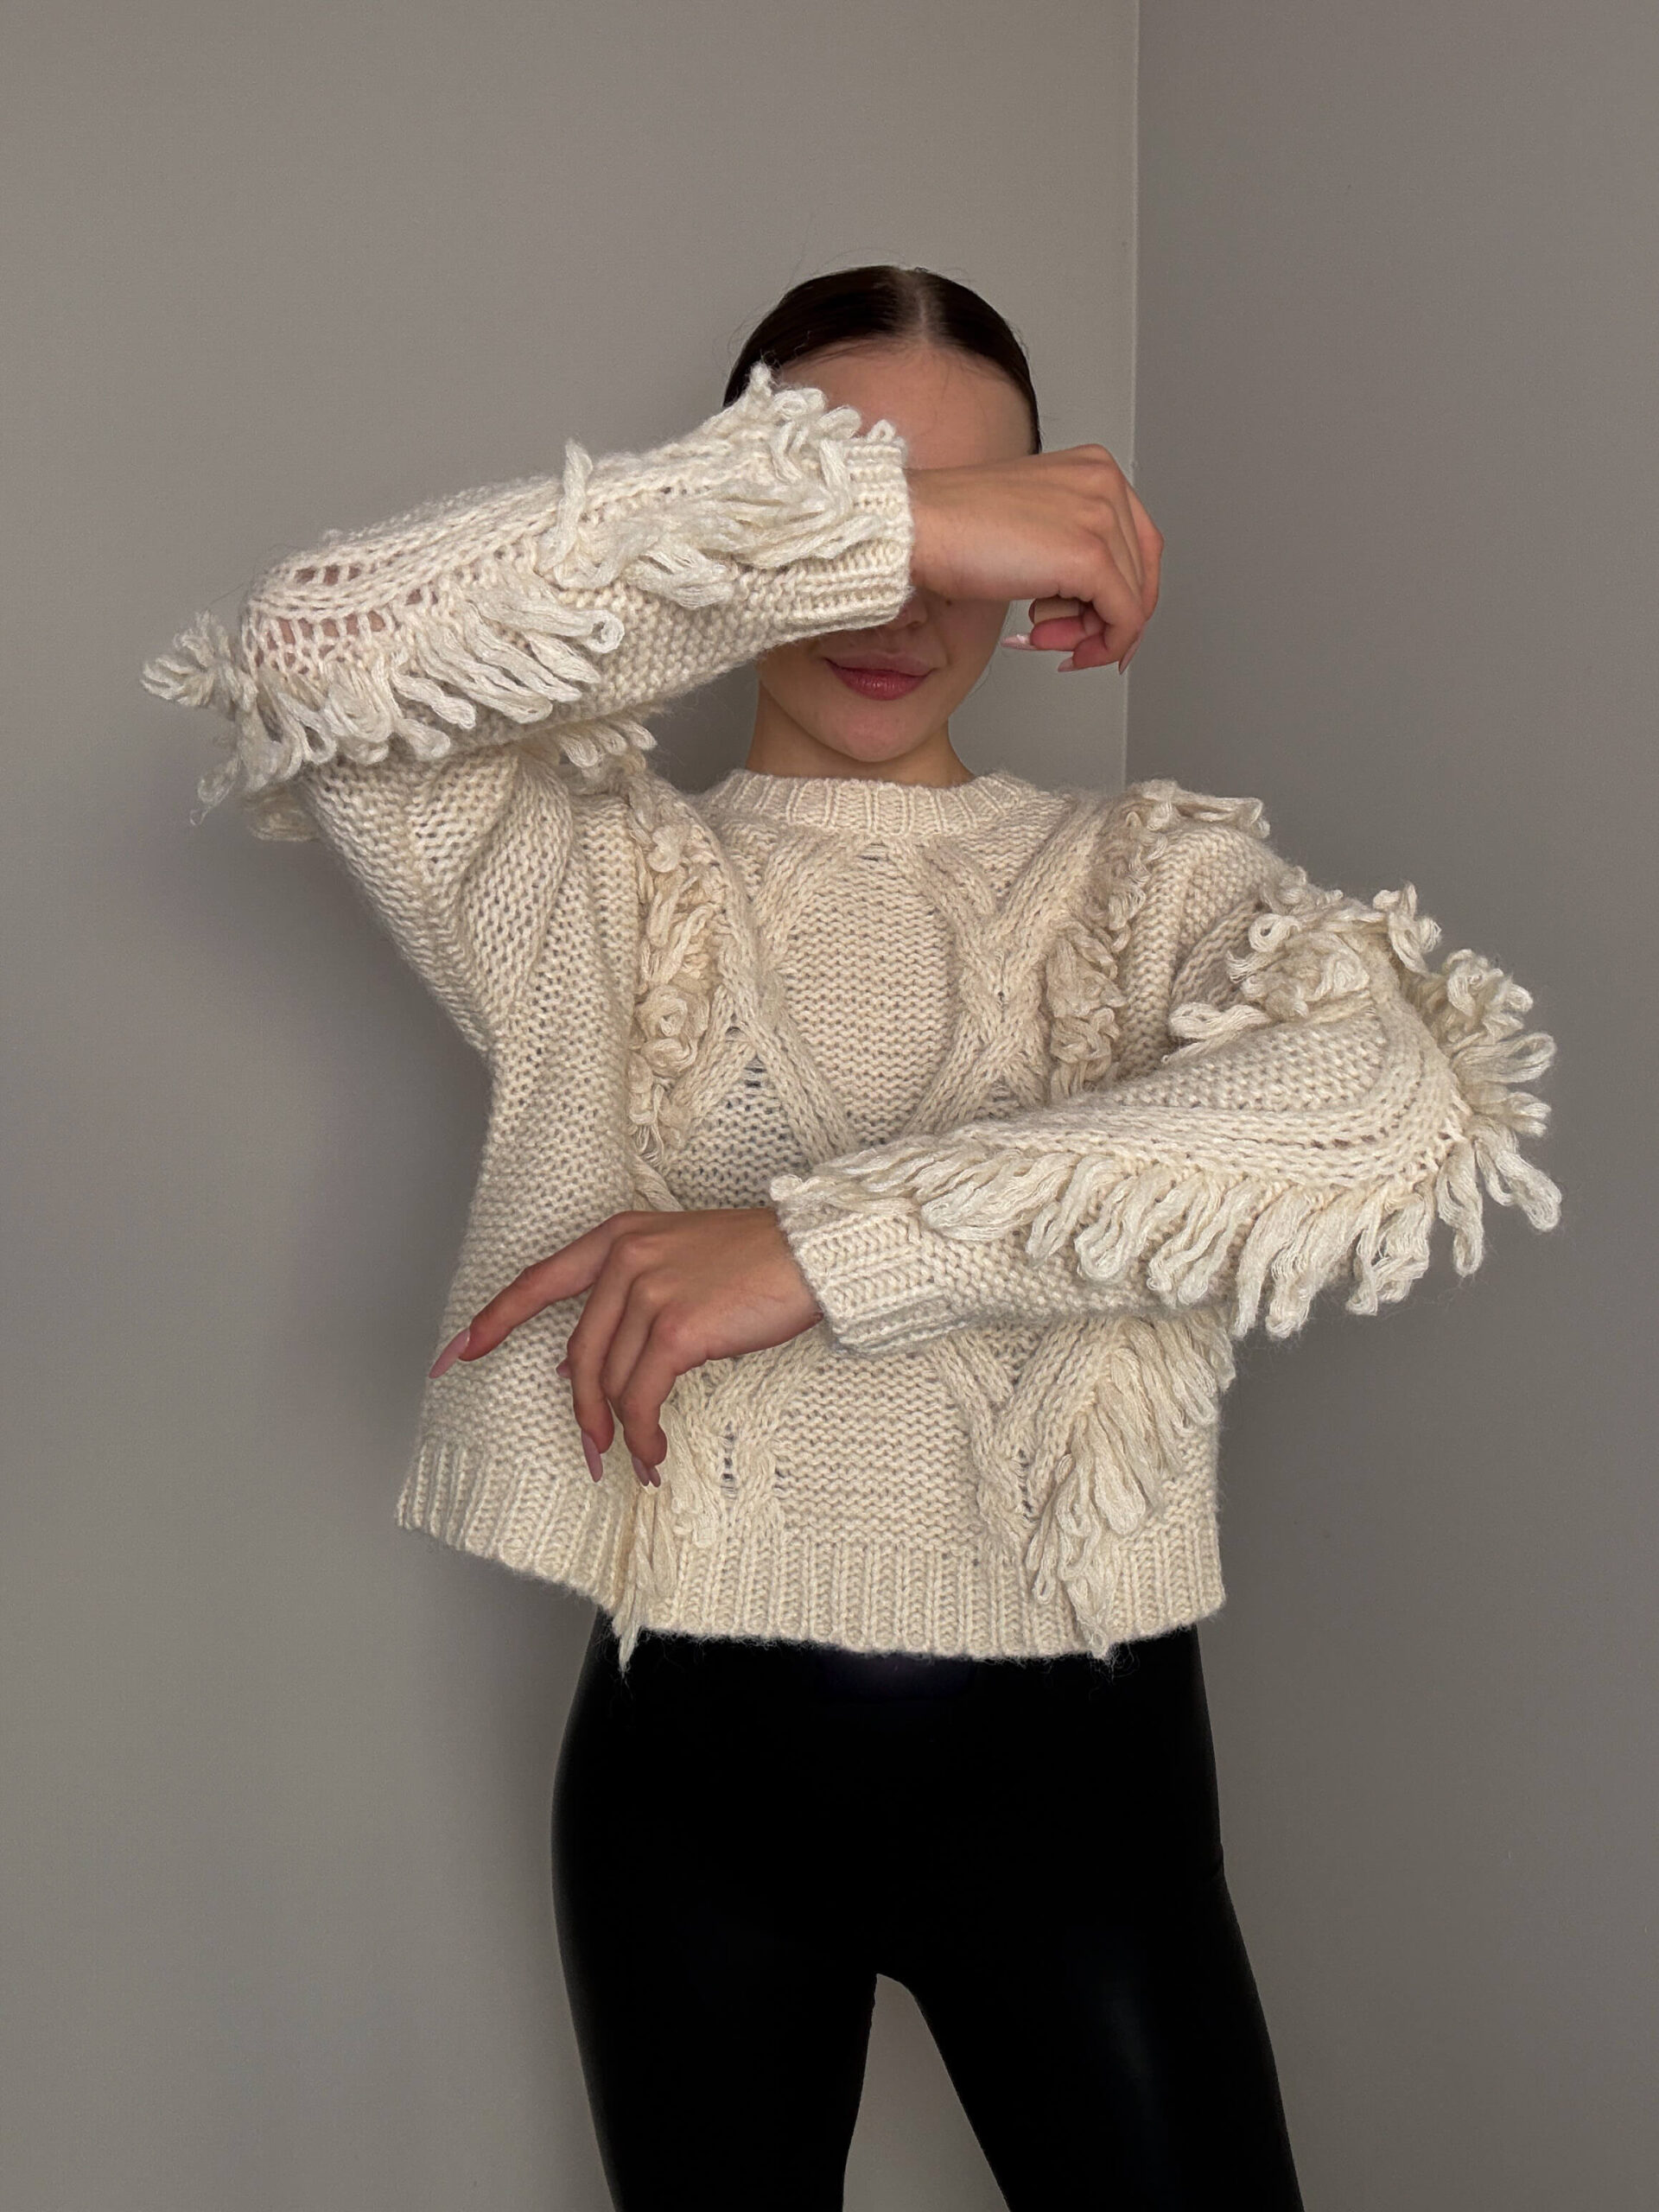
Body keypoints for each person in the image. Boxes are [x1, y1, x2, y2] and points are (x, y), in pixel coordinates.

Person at [141, 264, 1561, 2210]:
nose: (902, 605)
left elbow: (1401, 1102)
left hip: (1081, 1790)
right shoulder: (598, 880)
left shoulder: (1141, 881)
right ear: (762, 509)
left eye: (971, 528)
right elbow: (314, 645)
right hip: (681, 1785)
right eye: (869, 511)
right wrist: (880, 523)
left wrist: (820, 1245)